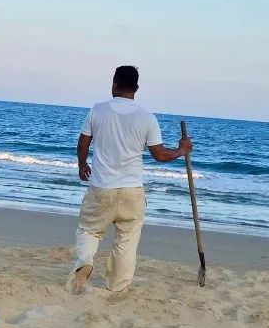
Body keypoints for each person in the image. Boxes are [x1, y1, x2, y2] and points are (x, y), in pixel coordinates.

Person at [71, 65, 193, 295]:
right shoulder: (147, 117)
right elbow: (159, 155)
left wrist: (82, 165)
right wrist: (181, 150)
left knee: (89, 229)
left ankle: (84, 263)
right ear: (136, 88)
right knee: (127, 239)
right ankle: (117, 287)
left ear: (114, 83)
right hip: (132, 191)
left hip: (102, 187)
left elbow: (83, 144)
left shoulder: (97, 111)